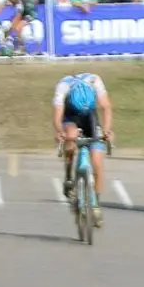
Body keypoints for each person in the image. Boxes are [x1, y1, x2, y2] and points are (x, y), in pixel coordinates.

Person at [53, 73, 114, 227]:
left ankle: (96, 205)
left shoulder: (95, 81)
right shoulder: (63, 86)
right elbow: (57, 117)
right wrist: (60, 132)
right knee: (71, 136)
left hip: (90, 119)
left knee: (97, 163)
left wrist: (107, 131)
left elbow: (106, 107)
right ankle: (68, 176)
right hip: (70, 117)